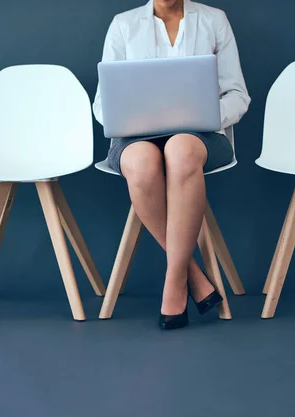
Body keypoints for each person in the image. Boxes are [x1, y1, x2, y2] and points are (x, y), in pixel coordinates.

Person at [92, 0, 250, 329]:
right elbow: (102, 103)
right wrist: (127, 119)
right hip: (136, 136)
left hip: (200, 136)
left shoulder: (214, 21)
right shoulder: (124, 24)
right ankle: (190, 274)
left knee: (179, 149)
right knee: (141, 160)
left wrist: (205, 116)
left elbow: (237, 93)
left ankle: (173, 284)